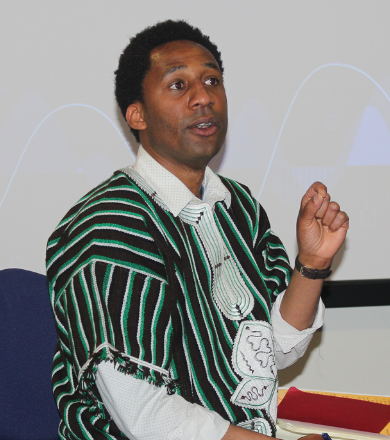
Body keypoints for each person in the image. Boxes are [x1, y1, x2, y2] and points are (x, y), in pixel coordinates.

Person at [46, 20, 349, 440]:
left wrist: (311, 265)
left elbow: (272, 352)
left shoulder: (238, 207)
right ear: (137, 114)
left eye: (212, 81)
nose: (203, 97)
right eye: (178, 85)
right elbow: (146, 416)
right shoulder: (108, 227)